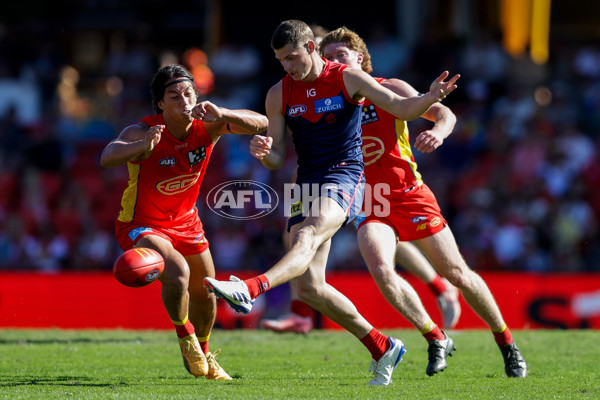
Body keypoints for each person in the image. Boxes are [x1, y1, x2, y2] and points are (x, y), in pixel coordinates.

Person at [203, 20, 459, 385]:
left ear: (310, 48)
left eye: (292, 57)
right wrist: (265, 152)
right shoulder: (279, 93)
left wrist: (431, 96)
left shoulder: (347, 78)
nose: (288, 66)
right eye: (280, 60)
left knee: (307, 235)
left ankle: (251, 287)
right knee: (309, 288)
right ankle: (381, 346)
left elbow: (402, 108)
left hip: (346, 176)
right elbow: (278, 155)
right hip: (305, 179)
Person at [316, 27, 523, 378]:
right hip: (371, 201)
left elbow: (444, 114)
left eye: (341, 55)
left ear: (360, 59)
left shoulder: (390, 88)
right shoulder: (327, 103)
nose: (335, 62)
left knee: (457, 273)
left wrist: (437, 132)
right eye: (329, 57)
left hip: (410, 194)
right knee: (381, 268)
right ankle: (435, 336)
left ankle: (507, 342)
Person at [100, 64, 268, 380]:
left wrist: (224, 113)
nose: (184, 100)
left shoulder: (209, 124)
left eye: (188, 92)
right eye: (174, 96)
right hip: (141, 224)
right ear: (160, 104)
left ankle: (205, 353)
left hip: (188, 223)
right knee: (178, 272)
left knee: (206, 291)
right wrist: (141, 147)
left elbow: (262, 123)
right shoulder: (146, 130)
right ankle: (184, 336)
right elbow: (107, 156)